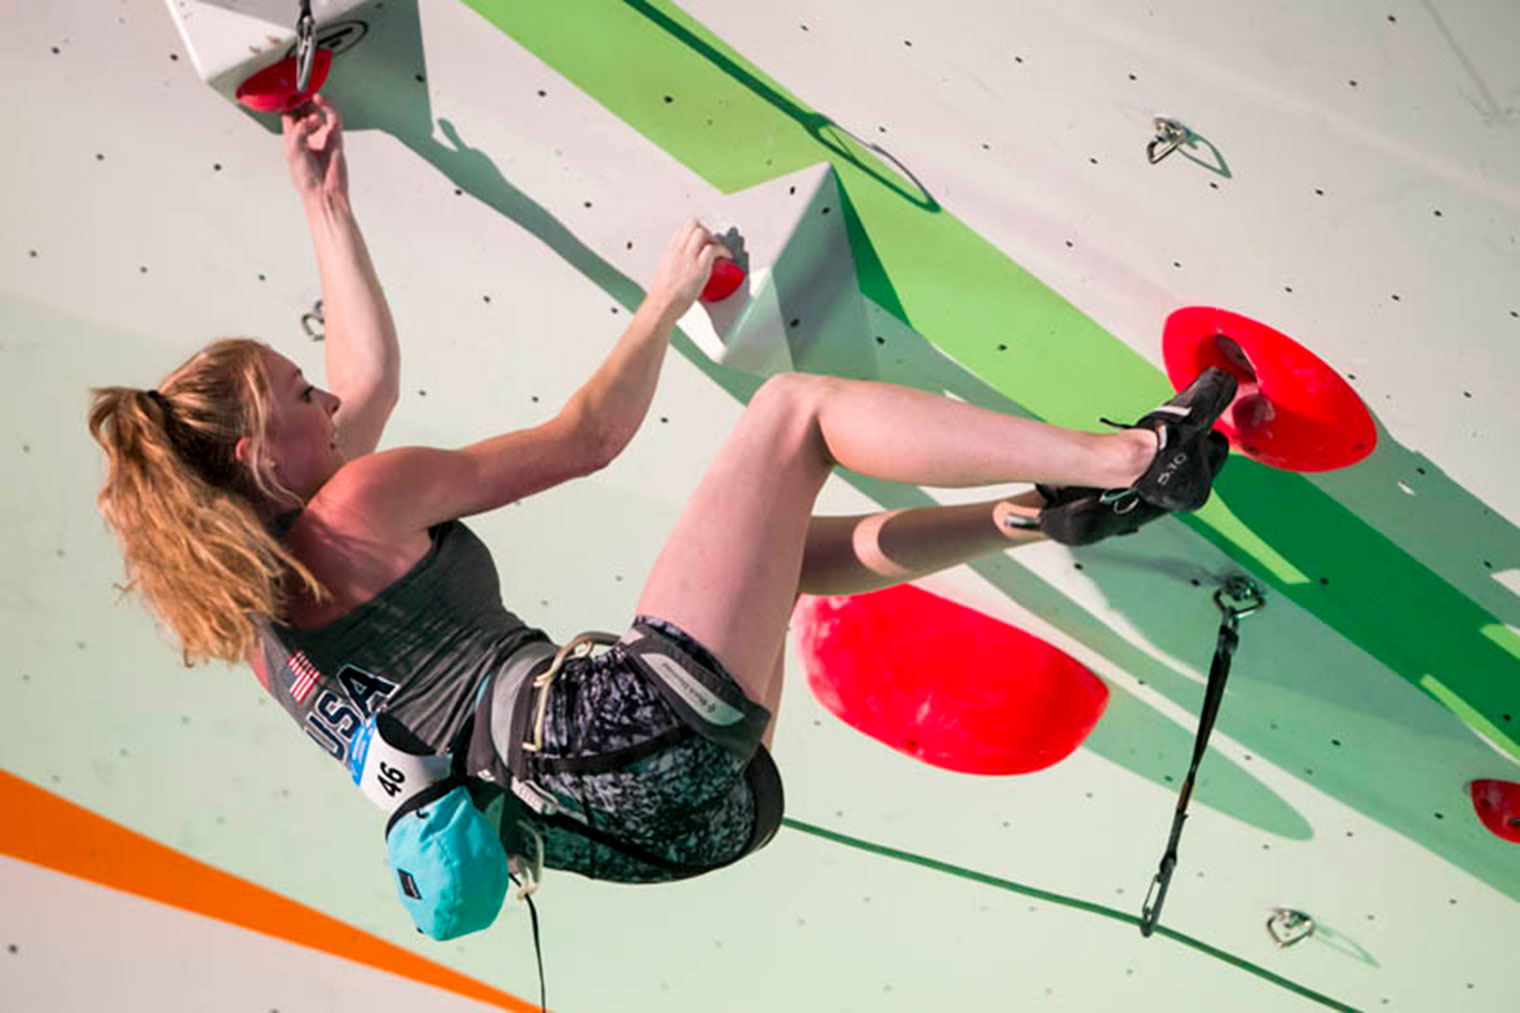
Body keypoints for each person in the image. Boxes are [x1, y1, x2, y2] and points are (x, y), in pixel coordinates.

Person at [87, 96, 1236, 887]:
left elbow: (365, 380)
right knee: (791, 418)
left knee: (772, 548)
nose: (327, 404)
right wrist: (665, 297)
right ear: (256, 456)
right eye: (298, 396)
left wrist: (325, 206)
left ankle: (1031, 513)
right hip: (606, 735)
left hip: (649, 835)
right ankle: (1135, 458)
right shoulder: (362, 501)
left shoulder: (264, 614)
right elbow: (583, 439)